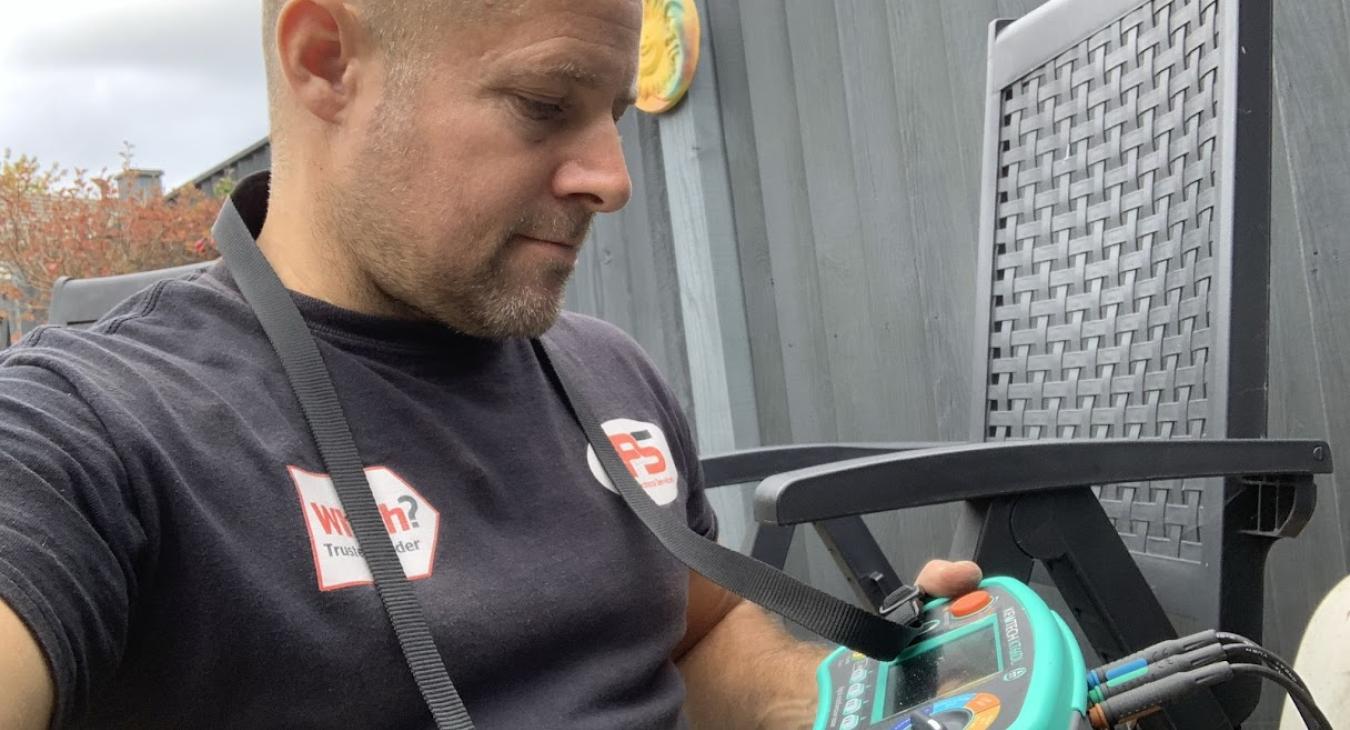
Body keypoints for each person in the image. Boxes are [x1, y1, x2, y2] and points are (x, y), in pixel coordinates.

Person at [0, 1, 981, 727]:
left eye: (613, 113)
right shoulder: (95, 428)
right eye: (544, 102)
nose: (613, 180)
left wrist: (879, 698)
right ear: (326, 59)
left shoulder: (610, 376)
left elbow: (696, 635)